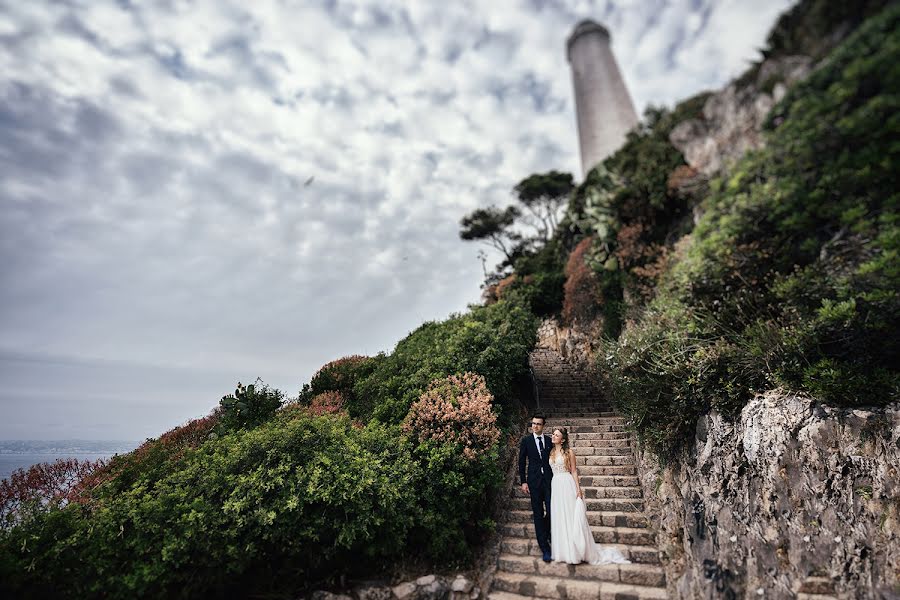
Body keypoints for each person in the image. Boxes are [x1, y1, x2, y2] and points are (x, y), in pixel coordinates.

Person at [548, 427, 630, 565]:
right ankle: (562, 552)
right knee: (560, 516)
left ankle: (574, 552)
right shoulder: (550, 453)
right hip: (555, 485)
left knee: (569, 516)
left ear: (562, 440)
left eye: (556, 435)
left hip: (567, 484)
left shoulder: (569, 452)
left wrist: (578, 489)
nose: (553, 436)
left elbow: (574, 471)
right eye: (553, 434)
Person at [518, 412, 553, 562]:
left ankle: (546, 532)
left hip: (550, 481)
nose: (535, 426)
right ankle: (544, 547)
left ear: (543, 425)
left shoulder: (549, 441)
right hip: (534, 482)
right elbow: (521, 462)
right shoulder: (526, 441)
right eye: (533, 423)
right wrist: (523, 481)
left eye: (538, 424)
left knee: (552, 511)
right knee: (538, 513)